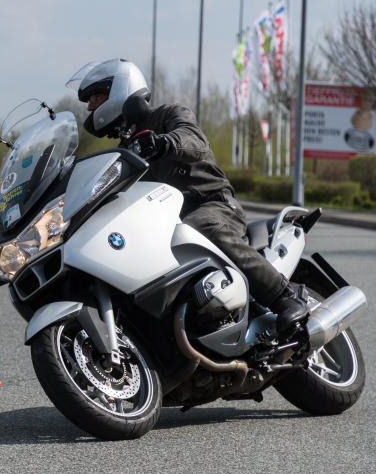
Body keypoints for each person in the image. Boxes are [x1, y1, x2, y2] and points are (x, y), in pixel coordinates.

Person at [68, 58, 308, 340]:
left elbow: (193, 140)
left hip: (212, 205)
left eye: (95, 98)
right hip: (167, 228)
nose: (89, 107)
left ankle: (284, 298)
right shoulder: (124, 152)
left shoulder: (168, 116)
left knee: (199, 229)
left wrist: (164, 142)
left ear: (119, 89)